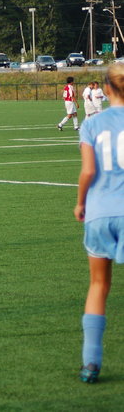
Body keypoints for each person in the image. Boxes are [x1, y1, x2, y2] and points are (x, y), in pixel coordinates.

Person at [73, 64, 124, 383]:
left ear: (106, 89)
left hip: (100, 211)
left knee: (98, 285)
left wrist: (81, 203)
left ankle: (90, 363)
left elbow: (89, 171)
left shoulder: (93, 123)